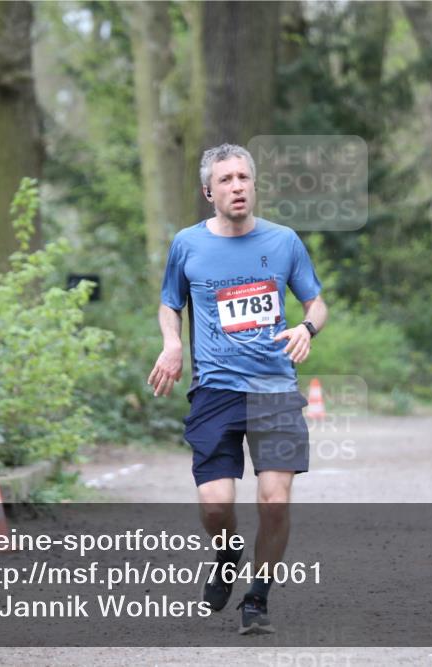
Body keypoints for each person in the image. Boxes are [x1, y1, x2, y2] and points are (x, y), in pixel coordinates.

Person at [147, 143, 328, 635]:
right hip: (214, 390)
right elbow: (170, 303)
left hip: (274, 388)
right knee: (215, 504)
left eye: (243, 177)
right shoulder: (187, 244)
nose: (237, 186)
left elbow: (316, 303)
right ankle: (227, 553)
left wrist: (305, 329)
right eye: (225, 180)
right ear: (209, 192)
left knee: (275, 499)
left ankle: (257, 598)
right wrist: (172, 344)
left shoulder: (284, 240)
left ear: (253, 184)